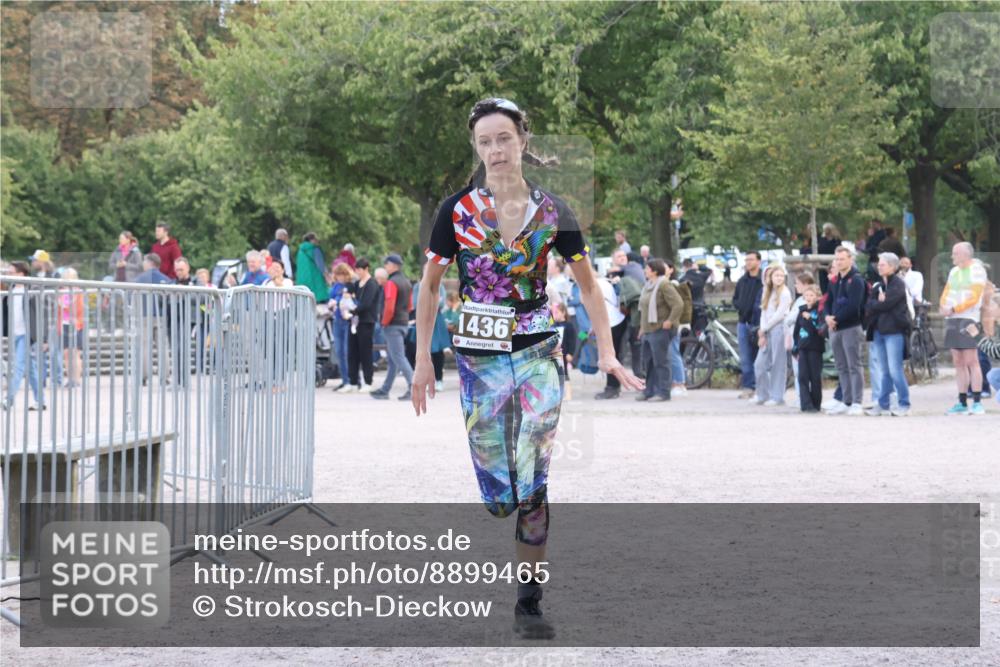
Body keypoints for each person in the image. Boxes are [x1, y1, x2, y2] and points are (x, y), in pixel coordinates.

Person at [411, 97, 642, 640]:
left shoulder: (555, 212)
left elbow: (587, 286)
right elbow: (429, 285)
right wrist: (423, 359)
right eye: (485, 141)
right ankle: (506, 508)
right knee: (499, 498)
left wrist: (606, 352)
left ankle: (529, 600)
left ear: (523, 142)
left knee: (533, 477)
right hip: (479, 358)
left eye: (504, 138)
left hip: (539, 351)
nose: (495, 149)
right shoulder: (456, 213)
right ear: (477, 149)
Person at [940, 242, 988, 415]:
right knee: (958, 362)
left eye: (955, 253)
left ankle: (977, 401)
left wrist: (954, 308)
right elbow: (947, 291)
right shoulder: (954, 271)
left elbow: (974, 297)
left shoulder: (977, 270)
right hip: (953, 318)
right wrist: (943, 306)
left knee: (971, 361)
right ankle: (961, 401)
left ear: (965, 255)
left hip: (969, 318)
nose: (952, 256)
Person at [863, 252, 911, 417]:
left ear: (892, 266)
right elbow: (868, 305)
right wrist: (879, 301)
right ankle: (882, 404)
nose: (879, 266)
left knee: (895, 369)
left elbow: (888, 304)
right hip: (878, 331)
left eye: (882, 264)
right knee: (884, 371)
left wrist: (879, 302)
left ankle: (904, 403)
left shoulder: (898, 284)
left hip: (894, 332)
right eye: (879, 263)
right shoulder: (877, 285)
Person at [824, 246, 867, 416]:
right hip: (835, 328)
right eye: (837, 259)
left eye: (843, 258)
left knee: (854, 365)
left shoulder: (856, 280)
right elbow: (828, 301)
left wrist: (836, 319)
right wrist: (827, 317)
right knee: (841, 365)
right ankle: (846, 400)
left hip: (850, 327)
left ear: (850, 260)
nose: (840, 262)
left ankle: (857, 402)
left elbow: (854, 306)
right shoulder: (834, 280)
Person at [1, 262, 48, 410]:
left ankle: (8, 400)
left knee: (18, 366)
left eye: (11, 272)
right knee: (31, 368)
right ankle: (40, 401)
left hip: (27, 335)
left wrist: (44, 338)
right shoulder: (10, 290)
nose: (8, 275)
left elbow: (42, 315)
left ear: (21, 274)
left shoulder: (32, 290)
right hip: (15, 334)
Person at [636, 258, 682, 402]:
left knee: (661, 362)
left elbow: (678, 304)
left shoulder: (664, 284)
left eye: (647, 268)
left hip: (660, 329)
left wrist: (670, 320)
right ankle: (649, 391)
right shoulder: (647, 285)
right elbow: (643, 309)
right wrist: (642, 328)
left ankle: (663, 392)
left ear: (654, 271)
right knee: (648, 362)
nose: (645, 271)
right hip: (648, 330)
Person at [370, 254, 413, 400]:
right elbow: (410, 305)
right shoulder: (406, 282)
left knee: (399, 357)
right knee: (393, 359)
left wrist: (384, 322)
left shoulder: (391, 283)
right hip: (403, 323)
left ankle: (413, 387)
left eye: (387, 264)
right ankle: (385, 389)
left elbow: (389, 306)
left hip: (392, 324)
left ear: (393, 265)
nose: (385, 267)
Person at [752, 265, 792, 406]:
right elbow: (764, 312)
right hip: (767, 329)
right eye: (776, 275)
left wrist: (765, 328)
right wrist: (763, 330)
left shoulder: (785, 293)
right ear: (770, 277)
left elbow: (779, 315)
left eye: (781, 276)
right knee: (759, 364)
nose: (779, 278)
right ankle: (763, 394)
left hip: (779, 329)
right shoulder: (766, 291)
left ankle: (777, 396)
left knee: (778, 363)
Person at [410, 262, 451, 393]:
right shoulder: (418, 286)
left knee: (438, 351)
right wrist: (430, 301)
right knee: (423, 350)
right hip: (423, 319)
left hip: (437, 320)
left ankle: (439, 379)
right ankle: (425, 379)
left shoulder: (441, 285)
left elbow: (442, 302)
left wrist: (431, 301)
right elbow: (417, 303)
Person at [134, 254, 173, 385]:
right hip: (161, 316)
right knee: (163, 347)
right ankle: (164, 376)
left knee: (144, 346)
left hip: (144, 315)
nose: (143, 264)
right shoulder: (166, 279)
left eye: (144, 261)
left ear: (150, 263)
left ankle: (143, 376)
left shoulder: (139, 279)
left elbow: (131, 298)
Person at [344, 258, 380, 393]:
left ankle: (368, 381)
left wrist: (352, 310)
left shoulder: (372, 284)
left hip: (366, 321)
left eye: (359, 270)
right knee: (352, 352)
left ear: (366, 269)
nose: (357, 272)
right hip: (354, 322)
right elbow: (348, 291)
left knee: (365, 352)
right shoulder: (357, 283)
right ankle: (353, 381)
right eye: (356, 270)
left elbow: (366, 303)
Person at [593, 268, 628, 400]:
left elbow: (596, 308)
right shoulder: (604, 282)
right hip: (617, 319)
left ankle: (612, 388)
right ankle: (614, 386)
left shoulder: (595, 285)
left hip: (611, 322)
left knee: (609, 355)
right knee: (615, 354)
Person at [732, 251, 763, 399]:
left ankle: (761, 386)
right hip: (743, 322)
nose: (748, 262)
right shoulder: (742, 281)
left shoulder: (763, 280)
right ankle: (748, 386)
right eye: (746, 260)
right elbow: (735, 298)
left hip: (759, 323)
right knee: (745, 357)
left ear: (759, 262)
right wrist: (740, 306)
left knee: (760, 356)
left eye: (751, 259)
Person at [792, 285, 826, 413]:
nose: (809, 298)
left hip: (815, 348)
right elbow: (796, 331)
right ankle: (805, 404)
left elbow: (819, 329)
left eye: (812, 295)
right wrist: (796, 347)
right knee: (803, 376)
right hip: (803, 347)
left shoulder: (819, 311)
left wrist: (810, 319)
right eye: (806, 295)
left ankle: (815, 403)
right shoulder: (801, 311)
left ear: (817, 297)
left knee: (815, 377)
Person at [327, 262, 355, 392]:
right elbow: (331, 299)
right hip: (337, 319)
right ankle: (345, 380)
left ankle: (350, 379)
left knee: (346, 351)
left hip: (347, 320)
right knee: (339, 351)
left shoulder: (351, 286)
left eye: (342, 274)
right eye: (338, 275)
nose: (340, 277)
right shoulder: (335, 286)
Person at [56, 267, 85, 389]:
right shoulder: (60, 291)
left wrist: (66, 307)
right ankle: (70, 379)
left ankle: (77, 380)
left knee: (75, 353)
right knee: (67, 353)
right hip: (64, 324)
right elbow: (57, 310)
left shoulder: (78, 291)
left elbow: (79, 309)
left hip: (75, 324)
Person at [295, 232, 330, 303]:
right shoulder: (314, 249)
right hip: (315, 278)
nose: (317, 241)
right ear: (312, 240)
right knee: (318, 300)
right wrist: (326, 275)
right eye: (316, 239)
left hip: (302, 279)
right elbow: (320, 264)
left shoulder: (300, 251)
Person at [552, 301, 576, 400]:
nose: (554, 315)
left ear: (563, 313)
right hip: (555, 354)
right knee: (555, 374)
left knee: (565, 373)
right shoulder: (553, 326)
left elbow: (573, 341)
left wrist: (571, 353)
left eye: (557, 312)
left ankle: (568, 394)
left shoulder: (569, 326)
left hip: (564, 353)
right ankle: (558, 394)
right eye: (553, 313)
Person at [816, 223, 842, 294]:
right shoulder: (822, 239)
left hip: (832, 263)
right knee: (823, 282)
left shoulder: (836, 240)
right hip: (822, 263)